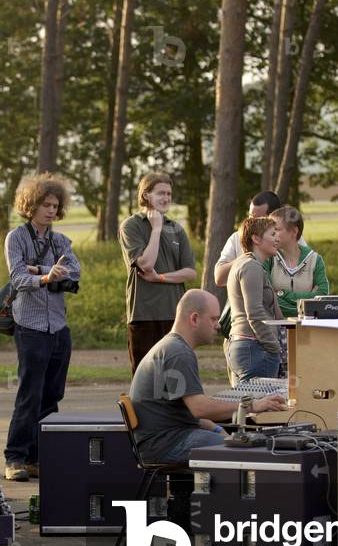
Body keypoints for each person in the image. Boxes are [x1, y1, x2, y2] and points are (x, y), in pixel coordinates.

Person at [130, 289, 287, 466]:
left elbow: (190, 413)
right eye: (213, 319)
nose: (218, 325)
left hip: (163, 440)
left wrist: (220, 431)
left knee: (242, 443)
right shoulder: (178, 353)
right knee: (251, 452)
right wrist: (253, 405)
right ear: (194, 319)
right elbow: (200, 409)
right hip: (165, 444)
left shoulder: (172, 347)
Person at [3, 173, 81, 482]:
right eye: (46, 204)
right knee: (29, 394)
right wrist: (46, 278)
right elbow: (19, 279)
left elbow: (75, 271)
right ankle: (15, 457)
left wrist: (43, 270)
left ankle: (38, 457)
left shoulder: (60, 240)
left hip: (59, 327)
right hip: (30, 327)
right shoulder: (16, 238)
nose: (51, 210)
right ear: (31, 204)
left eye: (55, 205)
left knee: (52, 396)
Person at [119, 172, 196, 374]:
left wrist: (160, 277)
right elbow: (145, 263)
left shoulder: (177, 229)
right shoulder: (131, 226)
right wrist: (155, 229)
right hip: (144, 315)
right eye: (161, 193)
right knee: (145, 378)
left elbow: (190, 272)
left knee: (174, 379)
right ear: (146, 195)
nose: (166, 198)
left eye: (169, 194)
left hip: (175, 315)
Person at [226, 217, 284, 382]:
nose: (277, 238)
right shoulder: (250, 266)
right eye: (272, 234)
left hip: (247, 347)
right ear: (256, 238)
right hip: (255, 348)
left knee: (247, 405)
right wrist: (273, 347)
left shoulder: (247, 264)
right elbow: (255, 312)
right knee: (261, 405)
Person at [266, 205, 329, 317]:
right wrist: (308, 309)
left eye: (277, 229)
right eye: (271, 231)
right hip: (274, 330)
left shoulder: (315, 260)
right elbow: (267, 299)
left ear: (294, 232)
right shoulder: (268, 258)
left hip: (307, 330)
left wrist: (282, 294)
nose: (272, 235)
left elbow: (322, 297)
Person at [213, 190, 282, 287]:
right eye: (250, 216)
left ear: (274, 217)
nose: (252, 221)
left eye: (259, 219)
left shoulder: (289, 238)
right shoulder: (237, 238)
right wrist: (245, 259)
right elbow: (219, 278)